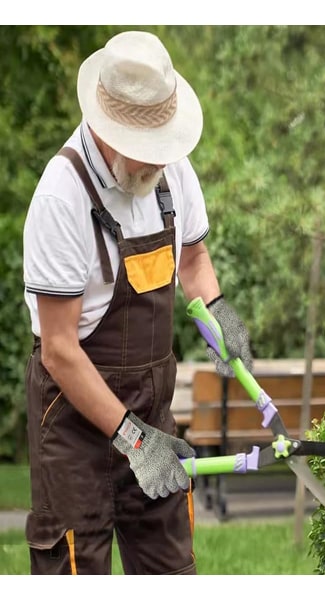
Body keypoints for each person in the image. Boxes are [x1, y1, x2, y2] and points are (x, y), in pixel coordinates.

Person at [22, 30, 253, 575]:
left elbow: (193, 260)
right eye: (145, 153)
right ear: (106, 130)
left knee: (172, 569)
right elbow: (58, 349)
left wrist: (216, 310)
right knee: (76, 570)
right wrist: (131, 439)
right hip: (75, 428)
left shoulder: (172, 172)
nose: (156, 166)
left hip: (153, 412)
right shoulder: (62, 197)